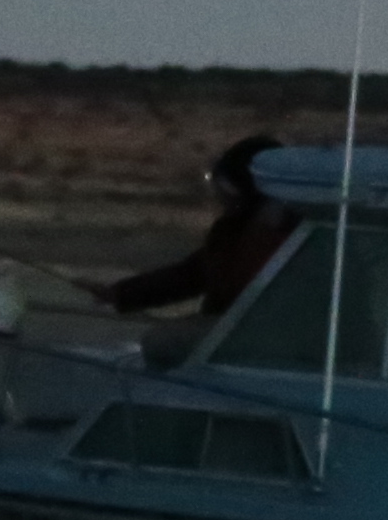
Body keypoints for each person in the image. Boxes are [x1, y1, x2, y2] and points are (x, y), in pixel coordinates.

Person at [99, 136, 291, 358]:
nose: (219, 194)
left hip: (258, 332)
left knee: (163, 342)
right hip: (240, 326)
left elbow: (220, 280)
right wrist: (122, 294)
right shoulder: (234, 229)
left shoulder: (272, 234)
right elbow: (194, 274)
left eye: (224, 185)